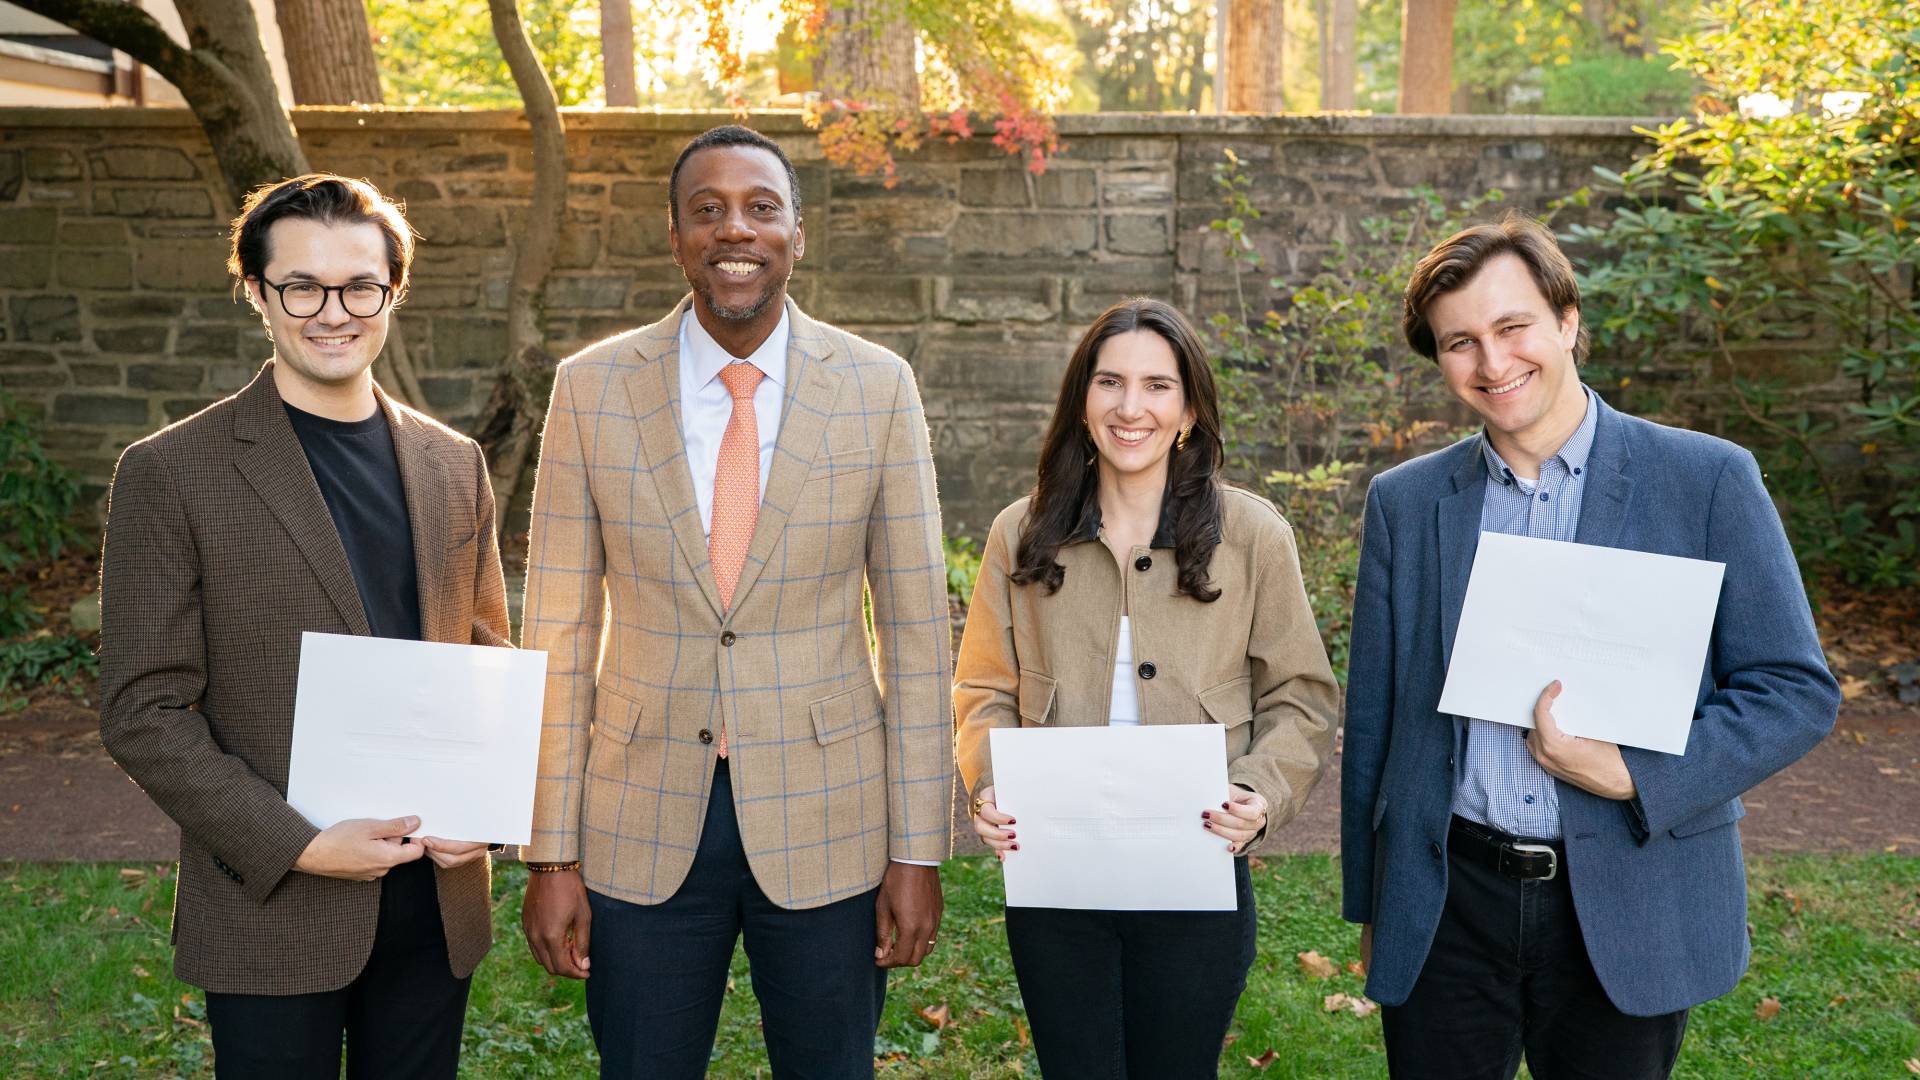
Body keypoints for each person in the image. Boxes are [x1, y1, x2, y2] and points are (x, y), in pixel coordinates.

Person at [1340, 213, 1841, 1079]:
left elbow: (1794, 688)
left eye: (1512, 327)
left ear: (1569, 321)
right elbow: (1378, 717)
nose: (1493, 364)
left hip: (1626, 889)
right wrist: (1374, 904)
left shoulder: (1707, 479)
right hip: (1449, 897)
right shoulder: (1407, 501)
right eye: (1461, 342)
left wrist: (1635, 776)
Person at [517, 125, 953, 1079]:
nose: (734, 230)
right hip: (638, 819)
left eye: (760, 207)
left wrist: (919, 849)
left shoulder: (878, 389)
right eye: (706, 210)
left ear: (799, 231)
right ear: (675, 237)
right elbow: (554, 633)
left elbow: (920, 637)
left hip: (832, 821)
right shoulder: (590, 391)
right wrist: (550, 855)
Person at [96, 174, 510, 1079]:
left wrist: (489, 808)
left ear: (392, 292)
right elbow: (144, 710)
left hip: (435, 901)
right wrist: (298, 842)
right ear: (256, 291)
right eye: (302, 287)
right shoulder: (171, 471)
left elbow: (484, 658)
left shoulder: (453, 464)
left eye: (361, 285)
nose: (334, 312)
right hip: (272, 900)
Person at [953, 298, 1340, 1080]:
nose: (1132, 408)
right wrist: (989, 784)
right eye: (1110, 383)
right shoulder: (1018, 533)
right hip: (1057, 876)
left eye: (1158, 386)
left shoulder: (1253, 536)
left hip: (1197, 869)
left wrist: (1261, 794)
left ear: (1189, 407)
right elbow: (984, 688)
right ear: (1082, 402)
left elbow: (1300, 694)